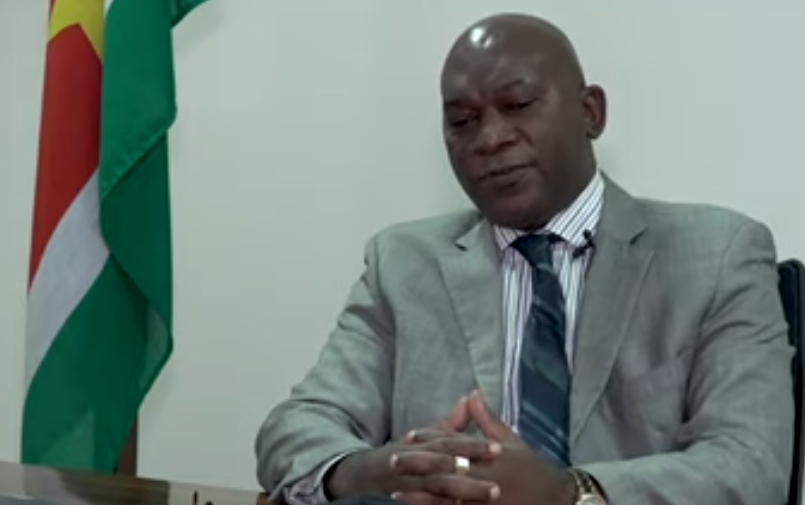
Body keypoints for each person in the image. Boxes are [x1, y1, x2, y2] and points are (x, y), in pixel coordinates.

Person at [255, 12, 795, 505]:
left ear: (590, 112)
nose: (489, 138)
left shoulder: (716, 255)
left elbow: (751, 462)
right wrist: (383, 470)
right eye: (463, 121)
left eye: (517, 106)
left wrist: (567, 493)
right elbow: (296, 427)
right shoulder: (402, 264)